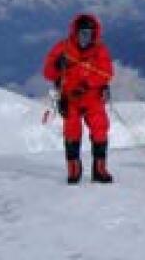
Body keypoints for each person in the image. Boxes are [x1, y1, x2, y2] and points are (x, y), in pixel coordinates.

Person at [43, 13, 114, 184]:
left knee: (100, 128)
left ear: (94, 34)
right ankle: (74, 168)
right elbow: (47, 73)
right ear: (75, 32)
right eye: (82, 33)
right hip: (70, 99)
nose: (85, 37)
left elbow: (107, 73)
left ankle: (99, 169)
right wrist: (56, 65)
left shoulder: (100, 50)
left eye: (89, 33)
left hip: (92, 97)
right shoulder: (62, 48)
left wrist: (88, 84)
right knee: (71, 131)